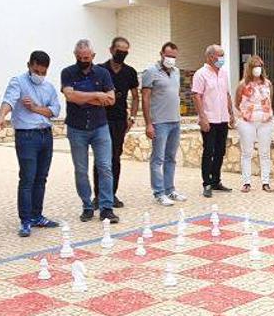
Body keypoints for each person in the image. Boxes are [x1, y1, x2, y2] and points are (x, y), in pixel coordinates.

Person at [0, 50, 63, 236]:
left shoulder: (48, 87)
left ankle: (37, 215)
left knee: (41, 178)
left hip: (45, 135)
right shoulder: (18, 82)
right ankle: (25, 220)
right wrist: (1, 116)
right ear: (29, 65)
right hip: (27, 137)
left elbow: (55, 110)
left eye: (43, 72)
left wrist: (35, 108)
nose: (39, 75)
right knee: (27, 178)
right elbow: (9, 100)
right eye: (36, 71)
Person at [60, 39, 119, 223]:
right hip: (77, 128)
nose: (83, 60)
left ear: (93, 56)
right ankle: (87, 206)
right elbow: (69, 95)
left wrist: (82, 97)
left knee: (105, 167)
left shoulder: (102, 73)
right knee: (81, 170)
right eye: (80, 57)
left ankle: (106, 207)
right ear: (75, 56)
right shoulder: (68, 72)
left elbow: (111, 100)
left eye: (87, 57)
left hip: (100, 127)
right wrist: (96, 95)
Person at [95, 36, 138, 209]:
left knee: (115, 158)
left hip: (120, 121)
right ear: (111, 50)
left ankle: (111, 194)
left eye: (125, 52)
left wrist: (132, 117)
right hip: (101, 120)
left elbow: (136, 96)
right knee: (100, 159)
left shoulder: (130, 72)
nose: (122, 54)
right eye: (119, 50)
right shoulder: (99, 70)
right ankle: (98, 196)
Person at [141, 42, 187, 206]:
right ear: (161, 54)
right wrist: (148, 124)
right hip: (159, 122)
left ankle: (170, 189)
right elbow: (145, 98)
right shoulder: (150, 72)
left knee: (171, 158)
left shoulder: (176, 72)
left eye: (174, 57)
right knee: (158, 159)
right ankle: (159, 192)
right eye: (168, 56)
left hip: (175, 121)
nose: (171, 60)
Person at [191, 44, 236, 198]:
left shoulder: (223, 73)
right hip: (209, 119)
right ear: (210, 57)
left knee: (220, 151)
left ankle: (216, 180)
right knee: (208, 151)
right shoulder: (200, 74)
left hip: (222, 118)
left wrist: (231, 113)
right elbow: (196, 96)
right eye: (220, 55)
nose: (222, 59)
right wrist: (202, 117)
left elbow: (227, 94)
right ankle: (207, 183)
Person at [236, 54, 274, 192]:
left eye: (260, 66)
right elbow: (237, 102)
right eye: (255, 66)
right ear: (250, 68)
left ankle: (265, 182)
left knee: (264, 153)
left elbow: (269, 100)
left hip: (265, 121)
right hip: (247, 121)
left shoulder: (268, 84)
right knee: (247, 152)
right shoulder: (243, 84)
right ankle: (246, 182)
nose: (257, 69)